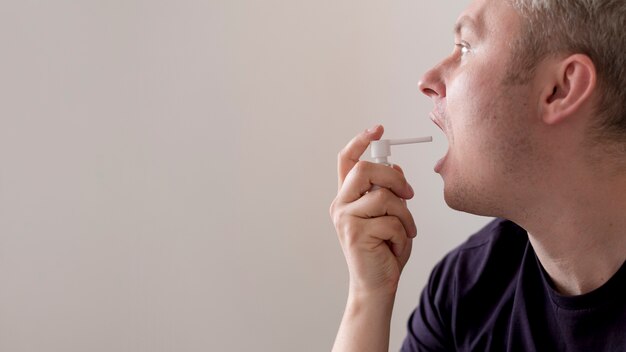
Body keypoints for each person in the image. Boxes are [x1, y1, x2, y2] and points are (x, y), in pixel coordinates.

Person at [329, 0, 626, 350]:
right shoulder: (465, 289)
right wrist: (368, 296)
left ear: (560, 88)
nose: (427, 81)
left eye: (465, 47)